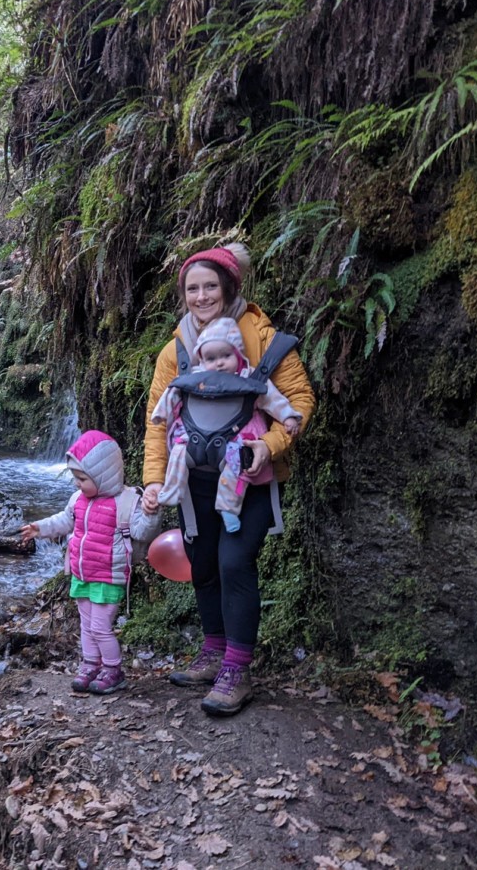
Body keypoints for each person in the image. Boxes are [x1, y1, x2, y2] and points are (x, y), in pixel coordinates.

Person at [142, 243, 315, 717]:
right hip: (194, 482)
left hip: (247, 479)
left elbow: (298, 401)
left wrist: (270, 446)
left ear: (230, 286)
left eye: (210, 286)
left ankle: (237, 669)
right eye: (192, 288)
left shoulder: (262, 337)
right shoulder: (174, 351)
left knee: (235, 562)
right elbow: (158, 421)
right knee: (202, 566)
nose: (201, 296)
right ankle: (214, 651)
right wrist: (154, 481)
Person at [21, 430, 160, 695]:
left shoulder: (126, 503)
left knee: (100, 627)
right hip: (82, 574)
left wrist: (151, 513)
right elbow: (64, 521)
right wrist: (39, 528)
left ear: (103, 475)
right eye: (75, 477)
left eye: (82, 478)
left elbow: (143, 532)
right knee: (87, 625)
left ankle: (113, 670)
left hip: (109, 576)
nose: (76, 483)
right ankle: (90, 664)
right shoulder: (78, 500)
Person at [151, 316, 302, 533]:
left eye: (226, 355)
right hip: (194, 439)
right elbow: (171, 393)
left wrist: (288, 416)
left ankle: (228, 507)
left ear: (238, 353)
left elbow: (272, 399)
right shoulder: (196, 376)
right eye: (211, 358)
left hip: (235, 440)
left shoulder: (248, 378)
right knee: (178, 453)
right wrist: (161, 415)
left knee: (236, 468)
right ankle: (172, 489)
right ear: (202, 360)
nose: (219, 363)